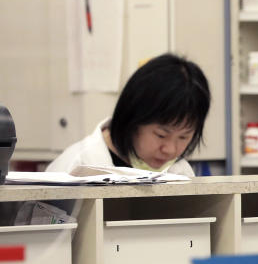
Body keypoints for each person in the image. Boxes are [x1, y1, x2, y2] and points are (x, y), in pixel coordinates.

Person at [47, 53, 210, 177]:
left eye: (183, 137)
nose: (170, 149)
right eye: (161, 135)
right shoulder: (75, 167)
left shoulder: (180, 172)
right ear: (133, 119)